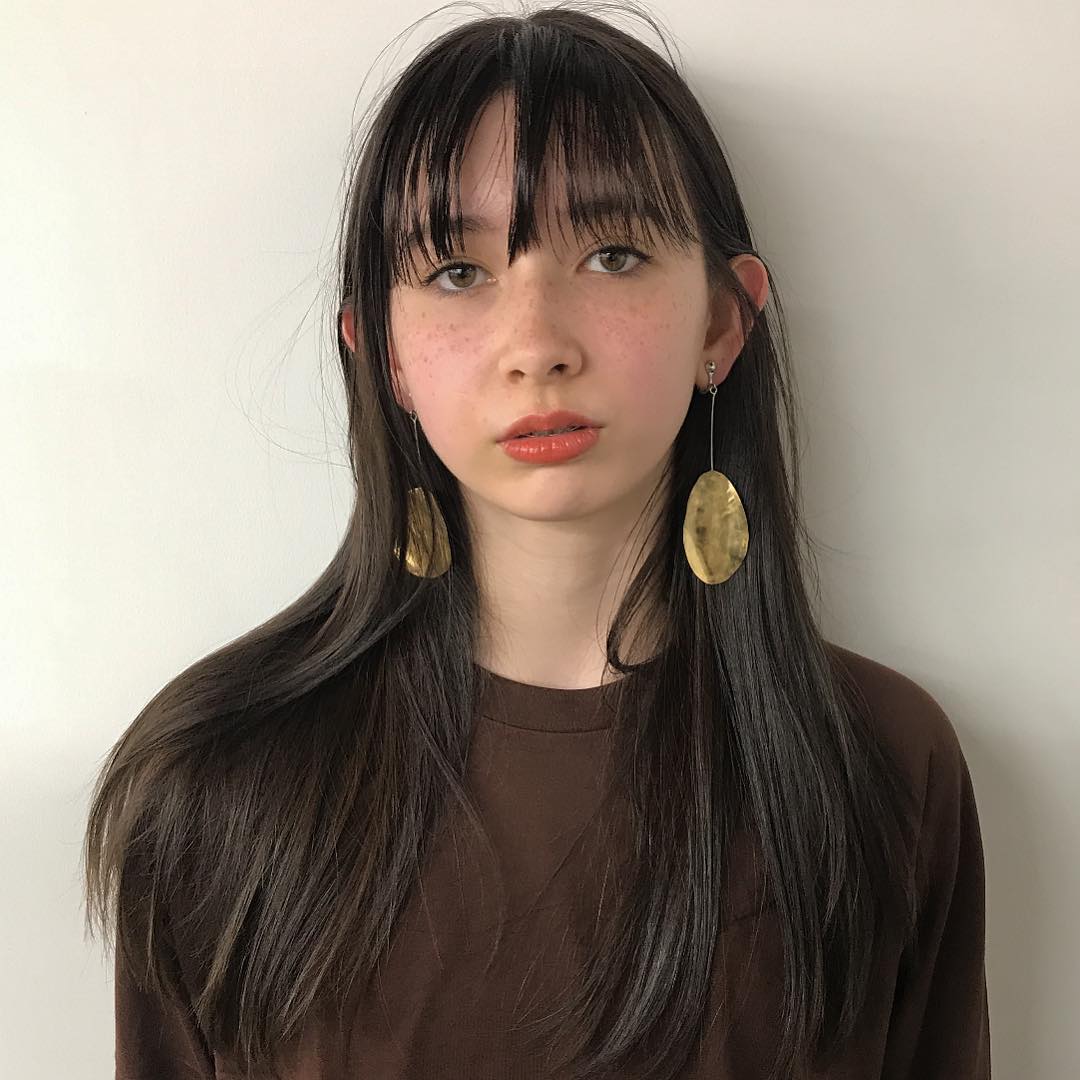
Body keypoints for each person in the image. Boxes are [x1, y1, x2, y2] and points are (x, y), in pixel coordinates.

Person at [83, 3, 991, 1078]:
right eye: (457, 273)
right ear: (384, 353)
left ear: (722, 320)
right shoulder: (214, 785)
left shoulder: (879, 765)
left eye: (612, 253)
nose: (536, 345)